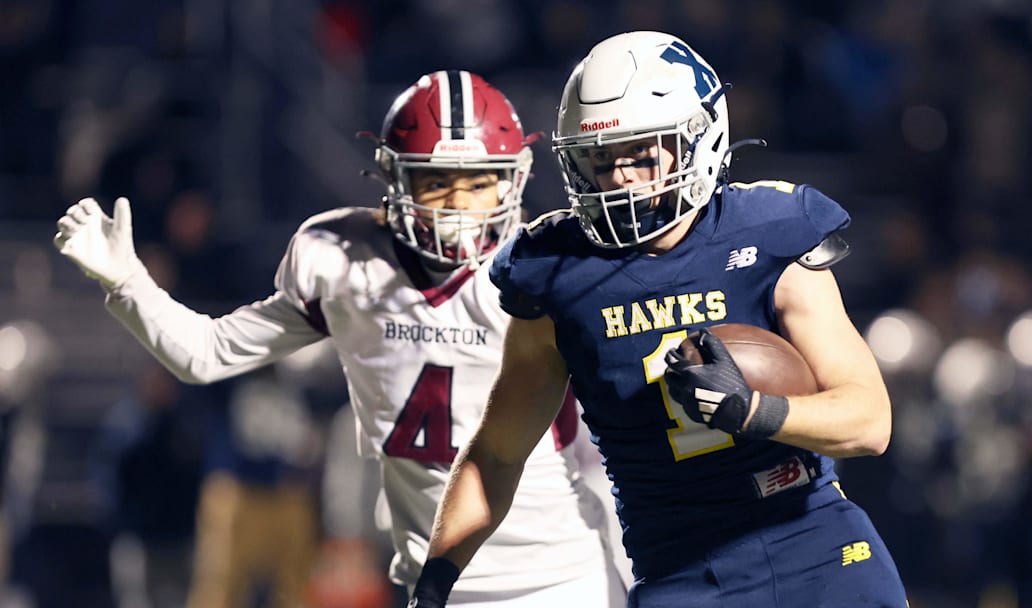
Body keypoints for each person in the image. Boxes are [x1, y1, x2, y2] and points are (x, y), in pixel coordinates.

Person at [53, 70, 626, 608]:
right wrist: (129, 283)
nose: (457, 207)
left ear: (514, 179)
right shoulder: (343, 261)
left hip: (564, 577)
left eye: (478, 184)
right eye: (436, 182)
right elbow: (206, 354)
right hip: (435, 583)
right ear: (393, 179)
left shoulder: (551, 269)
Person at [412, 32, 909, 608]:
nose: (620, 177)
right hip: (681, 570)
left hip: (817, 544)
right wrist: (434, 582)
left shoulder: (768, 233)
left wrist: (751, 411)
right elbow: (498, 452)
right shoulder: (554, 272)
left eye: (640, 153)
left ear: (698, 138)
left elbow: (869, 421)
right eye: (600, 158)